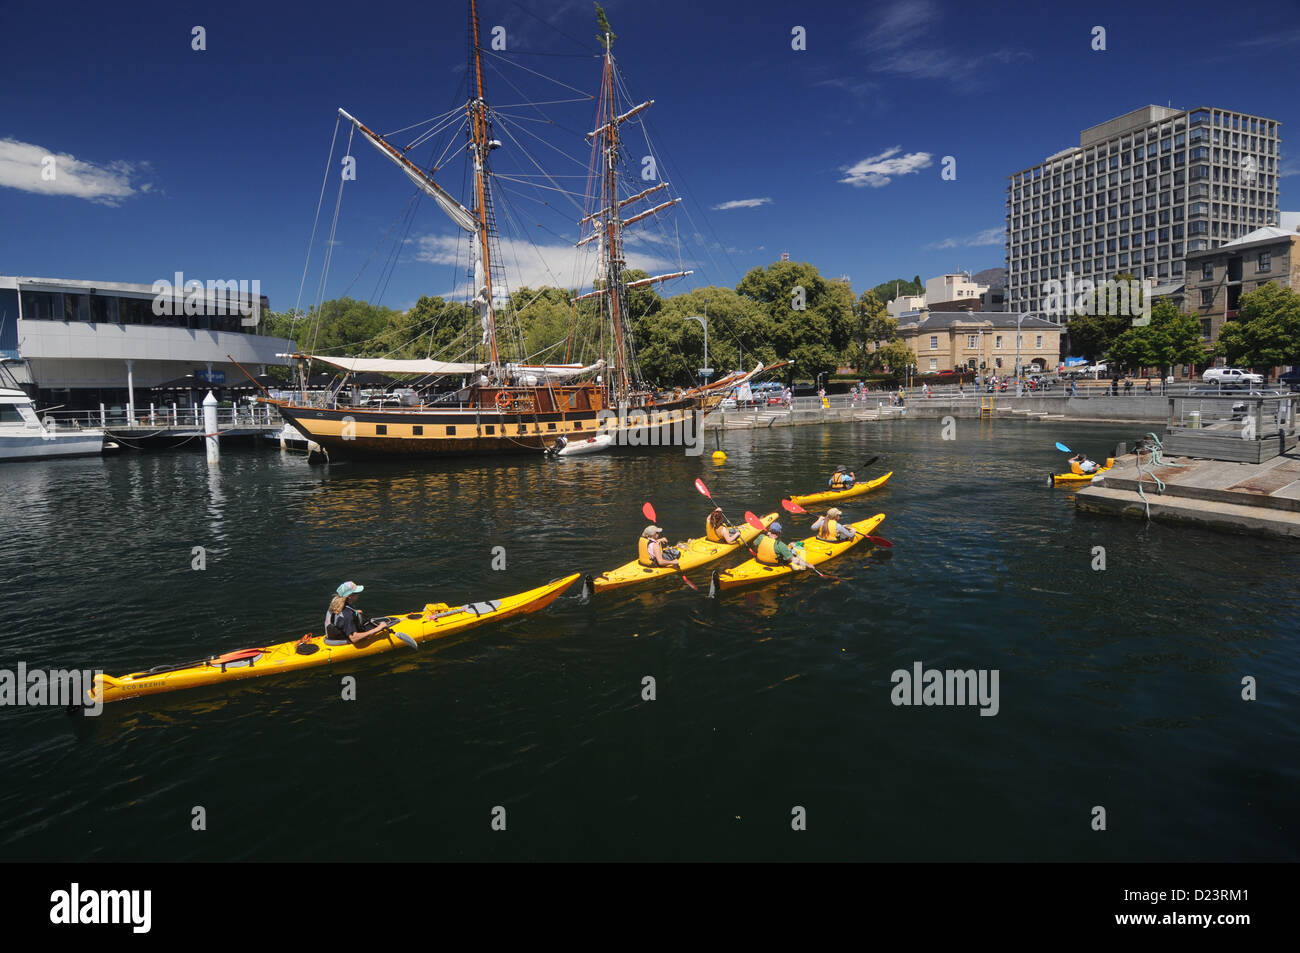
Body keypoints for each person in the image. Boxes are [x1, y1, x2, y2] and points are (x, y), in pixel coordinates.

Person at [325, 581, 390, 645]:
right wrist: (378, 628)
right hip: (343, 641)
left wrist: (355, 612)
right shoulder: (347, 614)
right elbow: (354, 638)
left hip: (331, 638)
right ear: (350, 596)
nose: (358, 594)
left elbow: (338, 618)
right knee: (378, 627)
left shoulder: (335, 604)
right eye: (357, 593)